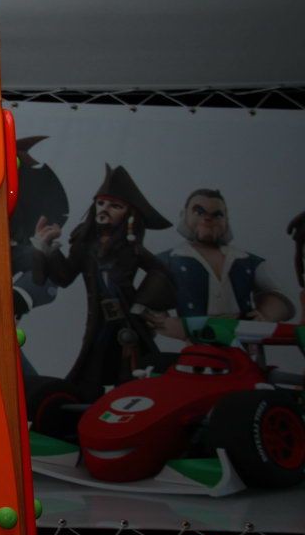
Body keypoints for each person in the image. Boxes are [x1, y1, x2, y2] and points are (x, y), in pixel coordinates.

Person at [31, 165, 175, 395]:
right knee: (91, 370)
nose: (104, 210)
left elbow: (160, 271)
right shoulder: (84, 245)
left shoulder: (131, 248)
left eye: (115, 206)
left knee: (133, 372)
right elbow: (64, 277)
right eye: (101, 203)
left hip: (129, 320)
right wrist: (47, 249)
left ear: (129, 214)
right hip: (99, 321)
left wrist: (143, 304)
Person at [148, 189, 294, 340]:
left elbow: (282, 295)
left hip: (244, 336)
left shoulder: (248, 261)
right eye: (199, 212)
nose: (207, 219)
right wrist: (167, 325)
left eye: (217, 215)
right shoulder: (168, 261)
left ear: (226, 220)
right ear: (184, 214)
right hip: (198, 338)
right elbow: (146, 304)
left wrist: (266, 314)